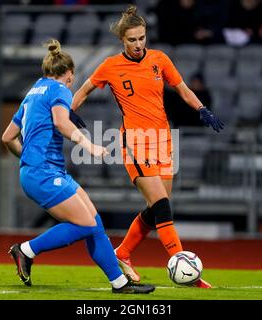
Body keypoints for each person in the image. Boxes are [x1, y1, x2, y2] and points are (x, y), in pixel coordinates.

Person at [71, 6, 223, 288]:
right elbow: (83, 89)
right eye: (132, 40)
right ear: (122, 41)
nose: (138, 44)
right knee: (163, 207)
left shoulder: (159, 59)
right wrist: (68, 110)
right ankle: (183, 266)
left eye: (141, 38)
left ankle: (123, 252)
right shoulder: (110, 66)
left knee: (156, 211)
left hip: (164, 140)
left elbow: (182, 88)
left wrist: (202, 109)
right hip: (136, 143)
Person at [2, 38, 155, 294]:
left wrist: (27, 160)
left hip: (41, 171)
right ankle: (26, 250)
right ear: (70, 75)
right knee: (84, 225)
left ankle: (119, 283)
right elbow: (62, 123)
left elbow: (7, 137)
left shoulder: (33, 92)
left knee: (94, 223)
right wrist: (89, 145)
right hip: (44, 173)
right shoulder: (60, 89)